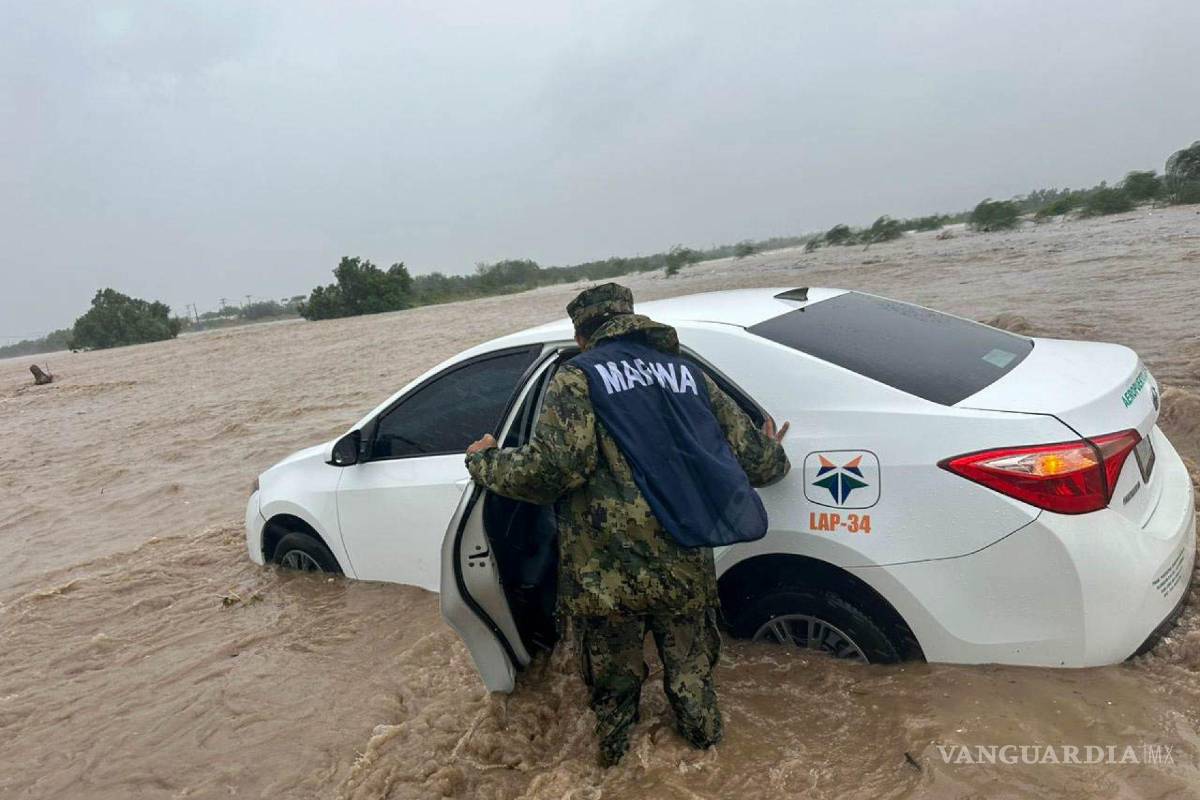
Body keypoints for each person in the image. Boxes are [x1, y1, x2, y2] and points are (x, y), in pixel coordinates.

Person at [465, 282, 790, 767]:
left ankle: (615, 772)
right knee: (692, 679)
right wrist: (773, 449)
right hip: (683, 558)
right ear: (632, 320)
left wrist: (486, 460)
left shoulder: (577, 378)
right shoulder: (688, 375)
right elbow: (759, 463)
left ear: (582, 336)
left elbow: (555, 470)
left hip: (606, 575)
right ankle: (710, 761)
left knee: (614, 689)